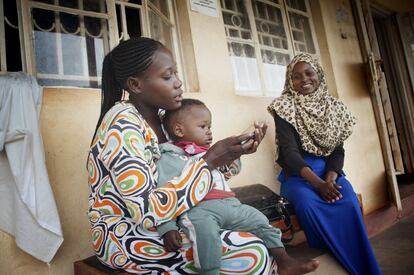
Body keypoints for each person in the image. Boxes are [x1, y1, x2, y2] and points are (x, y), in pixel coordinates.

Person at [87, 37, 316, 274]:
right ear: (135, 85)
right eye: (167, 77)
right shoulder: (122, 126)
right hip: (127, 234)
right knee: (251, 252)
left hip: (184, 216)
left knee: (253, 233)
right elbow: (146, 211)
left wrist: (232, 154)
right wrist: (209, 161)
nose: (178, 83)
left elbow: (194, 174)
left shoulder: (167, 121)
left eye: (176, 74)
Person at [156, 98, 320, 275]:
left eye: (210, 126)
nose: (209, 132)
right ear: (179, 130)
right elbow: (165, 194)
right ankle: (209, 272)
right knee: (206, 237)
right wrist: (168, 227)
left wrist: (239, 151)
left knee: (260, 221)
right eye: (203, 127)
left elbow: (229, 171)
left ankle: (284, 261)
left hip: (231, 204)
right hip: (200, 210)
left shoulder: (209, 152)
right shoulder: (170, 158)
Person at [267, 53, 382, 275]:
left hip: (330, 173)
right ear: (290, 81)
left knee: (347, 201)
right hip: (299, 177)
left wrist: (330, 178)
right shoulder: (284, 107)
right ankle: (335, 259)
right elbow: (290, 153)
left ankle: (363, 267)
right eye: (296, 77)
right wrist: (318, 185)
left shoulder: (335, 109)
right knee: (309, 206)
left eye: (309, 73)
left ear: (319, 74)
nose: (304, 80)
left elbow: (337, 151)